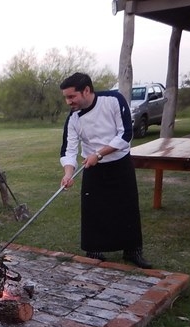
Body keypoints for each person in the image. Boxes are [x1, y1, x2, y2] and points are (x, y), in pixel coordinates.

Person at [59, 72, 152, 269]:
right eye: (66, 97)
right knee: (94, 210)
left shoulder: (113, 100)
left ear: (86, 90)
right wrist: (68, 173)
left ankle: (133, 251)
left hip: (119, 163)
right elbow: (69, 149)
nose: (68, 101)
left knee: (127, 208)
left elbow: (125, 134)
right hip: (93, 168)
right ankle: (94, 251)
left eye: (71, 96)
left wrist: (99, 154)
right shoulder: (74, 119)